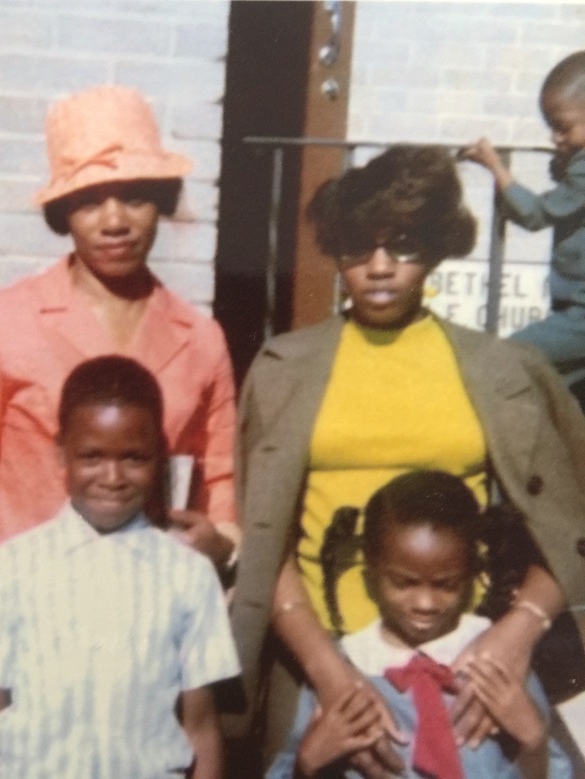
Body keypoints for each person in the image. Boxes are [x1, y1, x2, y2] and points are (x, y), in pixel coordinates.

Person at [229, 146, 585, 774]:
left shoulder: (502, 371)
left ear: (438, 246)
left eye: (403, 246)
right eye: (357, 249)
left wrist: (515, 634)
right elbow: (265, 544)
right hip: (322, 673)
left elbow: (568, 525)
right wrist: (327, 671)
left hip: (467, 675)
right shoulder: (284, 371)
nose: (380, 267)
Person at [0, 84, 239, 592]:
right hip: (24, 599)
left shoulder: (200, 339)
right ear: (63, 211)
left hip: (147, 603)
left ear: (160, 202)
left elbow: (219, 483)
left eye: (134, 196)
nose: (115, 221)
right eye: (89, 201)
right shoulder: (0, 322)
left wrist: (220, 546)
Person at [0, 356, 239, 779]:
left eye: (134, 458)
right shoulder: (12, 568)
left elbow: (201, 728)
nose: (113, 476)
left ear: (159, 456)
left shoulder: (187, 575)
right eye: (92, 457)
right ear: (60, 451)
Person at [268, 470, 572, 779]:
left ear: (470, 572)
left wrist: (534, 742)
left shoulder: (496, 660)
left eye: (445, 584)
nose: (425, 604)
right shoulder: (347, 668)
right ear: (370, 572)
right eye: (404, 583)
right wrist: (307, 762)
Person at [462, 50, 585, 387]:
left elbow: (535, 215)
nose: (554, 138)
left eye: (563, 127)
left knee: (509, 355)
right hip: (572, 303)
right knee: (561, 393)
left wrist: (495, 166)